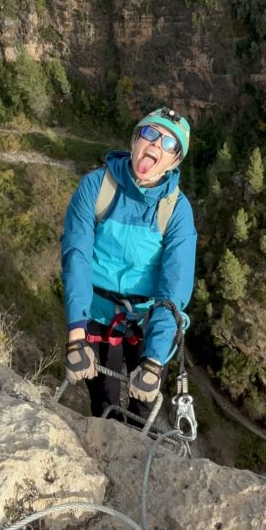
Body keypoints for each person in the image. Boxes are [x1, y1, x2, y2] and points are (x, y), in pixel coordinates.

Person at [61, 106, 197, 423]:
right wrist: (75, 334)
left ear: (174, 161)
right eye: (150, 134)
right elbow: (76, 258)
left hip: (148, 321)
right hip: (96, 314)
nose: (156, 146)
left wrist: (153, 360)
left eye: (169, 144)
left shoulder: (176, 210)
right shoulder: (96, 188)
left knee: (143, 408)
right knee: (104, 403)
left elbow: (173, 288)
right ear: (136, 139)